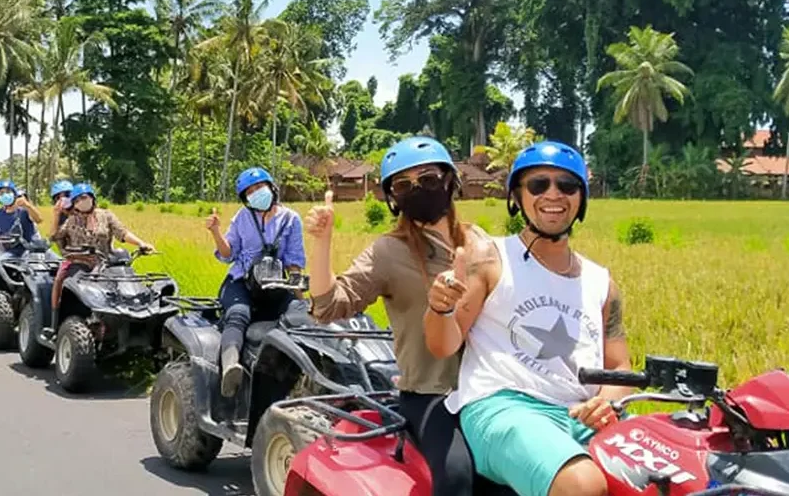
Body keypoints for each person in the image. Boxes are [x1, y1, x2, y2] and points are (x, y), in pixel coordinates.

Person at [304, 136, 511, 496]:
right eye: (403, 185)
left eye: (428, 179)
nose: (417, 190)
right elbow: (328, 306)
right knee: (458, 477)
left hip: (489, 388)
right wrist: (322, 243)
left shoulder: (479, 242)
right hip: (431, 393)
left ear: (450, 181)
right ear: (393, 199)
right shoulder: (388, 252)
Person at [433, 141, 632, 496]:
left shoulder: (602, 283)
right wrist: (440, 308)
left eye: (567, 186)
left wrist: (608, 401)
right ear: (518, 197)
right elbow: (443, 344)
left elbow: (619, 367)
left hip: (581, 414)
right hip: (503, 407)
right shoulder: (491, 259)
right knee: (581, 486)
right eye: (538, 184)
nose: (553, 195)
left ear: (581, 198)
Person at [206, 167, 306, 398]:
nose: (256, 193)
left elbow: (294, 262)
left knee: (299, 316)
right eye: (250, 191)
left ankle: (302, 374)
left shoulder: (291, 219)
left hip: (275, 284)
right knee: (238, 314)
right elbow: (228, 254)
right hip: (241, 281)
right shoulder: (242, 218)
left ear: (272, 188)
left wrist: (302, 300)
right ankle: (231, 365)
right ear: (245, 199)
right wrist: (215, 232)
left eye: (260, 187)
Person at [44, 182, 153, 339]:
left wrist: (141, 243)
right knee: (62, 282)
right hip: (78, 262)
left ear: (92, 198)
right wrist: (55, 215)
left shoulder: (106, 215)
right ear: (74, 204)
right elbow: (55, 236)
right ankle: (54, 325)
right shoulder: (72, 220)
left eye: (84, 197)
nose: (82, 201)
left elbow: (122, 233)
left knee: (126, 286)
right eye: (77, 200)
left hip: (105, 263)